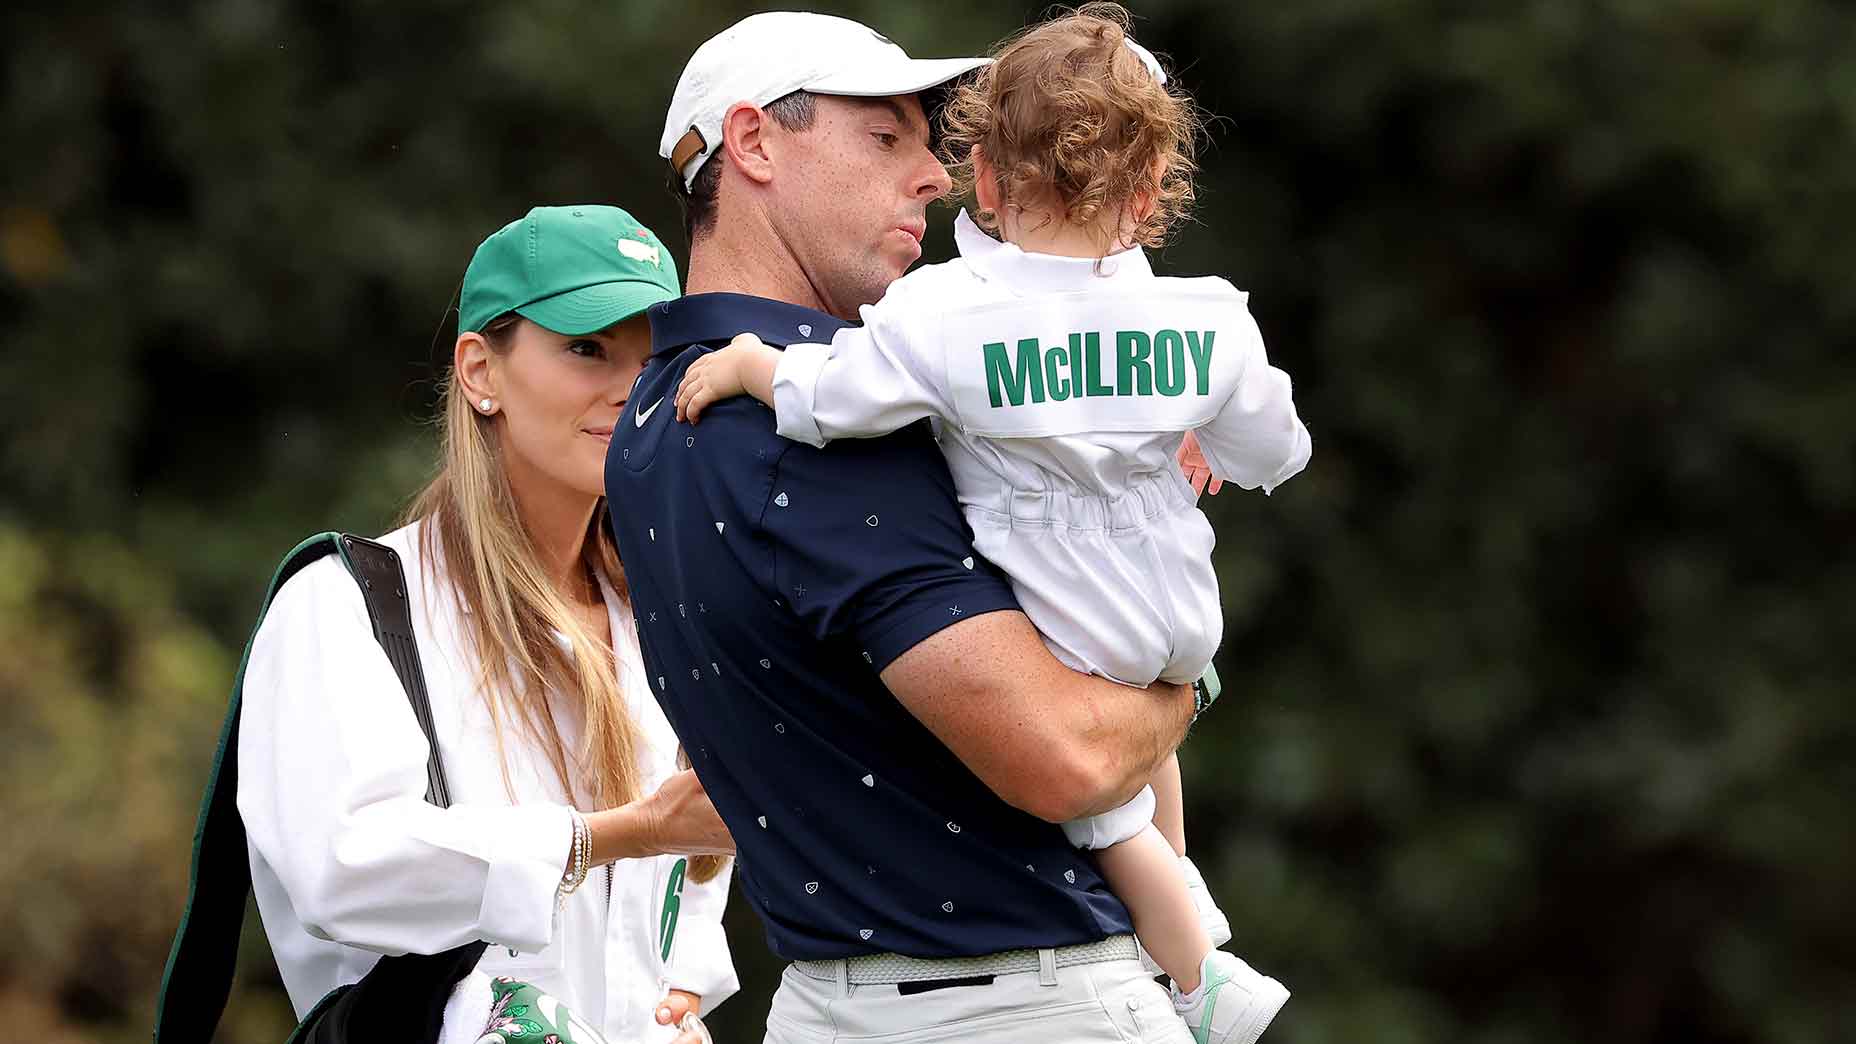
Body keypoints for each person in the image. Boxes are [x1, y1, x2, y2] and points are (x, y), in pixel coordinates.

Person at [672, 5, 1306, 1040]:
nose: (925, 176)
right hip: (1180, 607)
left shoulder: (942, 313)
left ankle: (1201, 972)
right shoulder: (1209, 315)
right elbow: (1274, 449)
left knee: (1104, 810)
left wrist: (753, 366)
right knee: (1145, 756)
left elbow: (837, 397)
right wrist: (1200, 439)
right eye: (886, 136)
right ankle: (1190, 921)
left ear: (989, 183)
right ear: (1150, 190)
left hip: (1068, 613)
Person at [238, 205, 737, 1044]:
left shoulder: (660, 618)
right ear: (480, 372)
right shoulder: (349, 602)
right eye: (588, 348)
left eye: (656, 358)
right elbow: (344, 866)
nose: (630, 388)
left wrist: (679, 997)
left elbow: (682, 900)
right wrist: (621, 835)